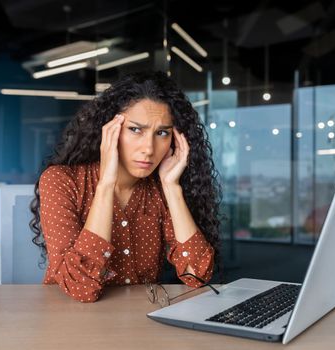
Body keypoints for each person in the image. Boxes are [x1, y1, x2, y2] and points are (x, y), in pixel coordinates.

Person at [29, 71, 221, 302]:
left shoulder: (160, 189)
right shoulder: (61, 180)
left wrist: (172, 188)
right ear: (110, 129)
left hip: (138, 323)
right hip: (71, 323)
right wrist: (106, 185)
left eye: (161, 133)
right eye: (135, 129)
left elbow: (197, 275)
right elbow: (80, 288)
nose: (148, 148)